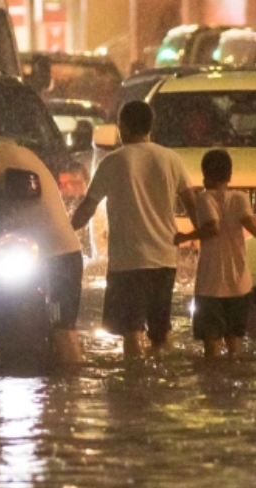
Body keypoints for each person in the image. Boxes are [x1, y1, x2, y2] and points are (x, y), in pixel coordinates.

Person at [71, 101, 197, 359]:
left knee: (131, 334)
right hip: (165, 260)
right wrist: (201, 235)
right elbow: (194, 206)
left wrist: (64, 230)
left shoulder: (114, 161)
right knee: (161, 334)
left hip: (129, 263)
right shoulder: (171, 159)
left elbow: (88, 207)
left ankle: (134, 387)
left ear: (123, 126)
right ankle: (162, 385)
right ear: (151, 126)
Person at [0, 130, 86, 365]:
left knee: (60, 329)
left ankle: (71, 383)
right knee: (62, 328)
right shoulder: (21, 152)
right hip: (65, 254)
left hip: (53, 259)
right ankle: (67, 389)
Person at [175, 150, 256, 359]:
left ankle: (213, 388)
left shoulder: (204, 198)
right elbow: (252, 226)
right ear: (230, 176)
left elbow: (212, 227)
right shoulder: (241, 198)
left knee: (211, 347)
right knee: (235, 345)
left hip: (211, 285)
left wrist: (184, 237)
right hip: (240, 284)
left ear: (205, 176)